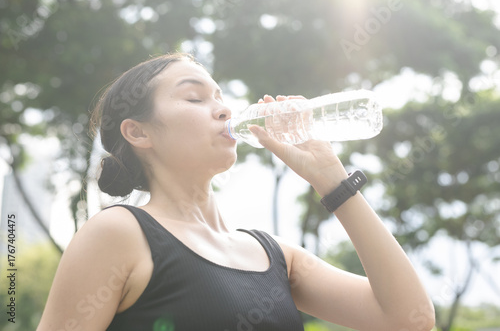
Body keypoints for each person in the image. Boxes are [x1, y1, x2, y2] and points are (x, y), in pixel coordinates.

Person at [38, 53, 435, 331]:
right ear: (138, 132)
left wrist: (332, 180)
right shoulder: (118, 234)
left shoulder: (276, 255)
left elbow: (409, 320)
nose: (224, 110)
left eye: (220, 97)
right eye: (195, 98)